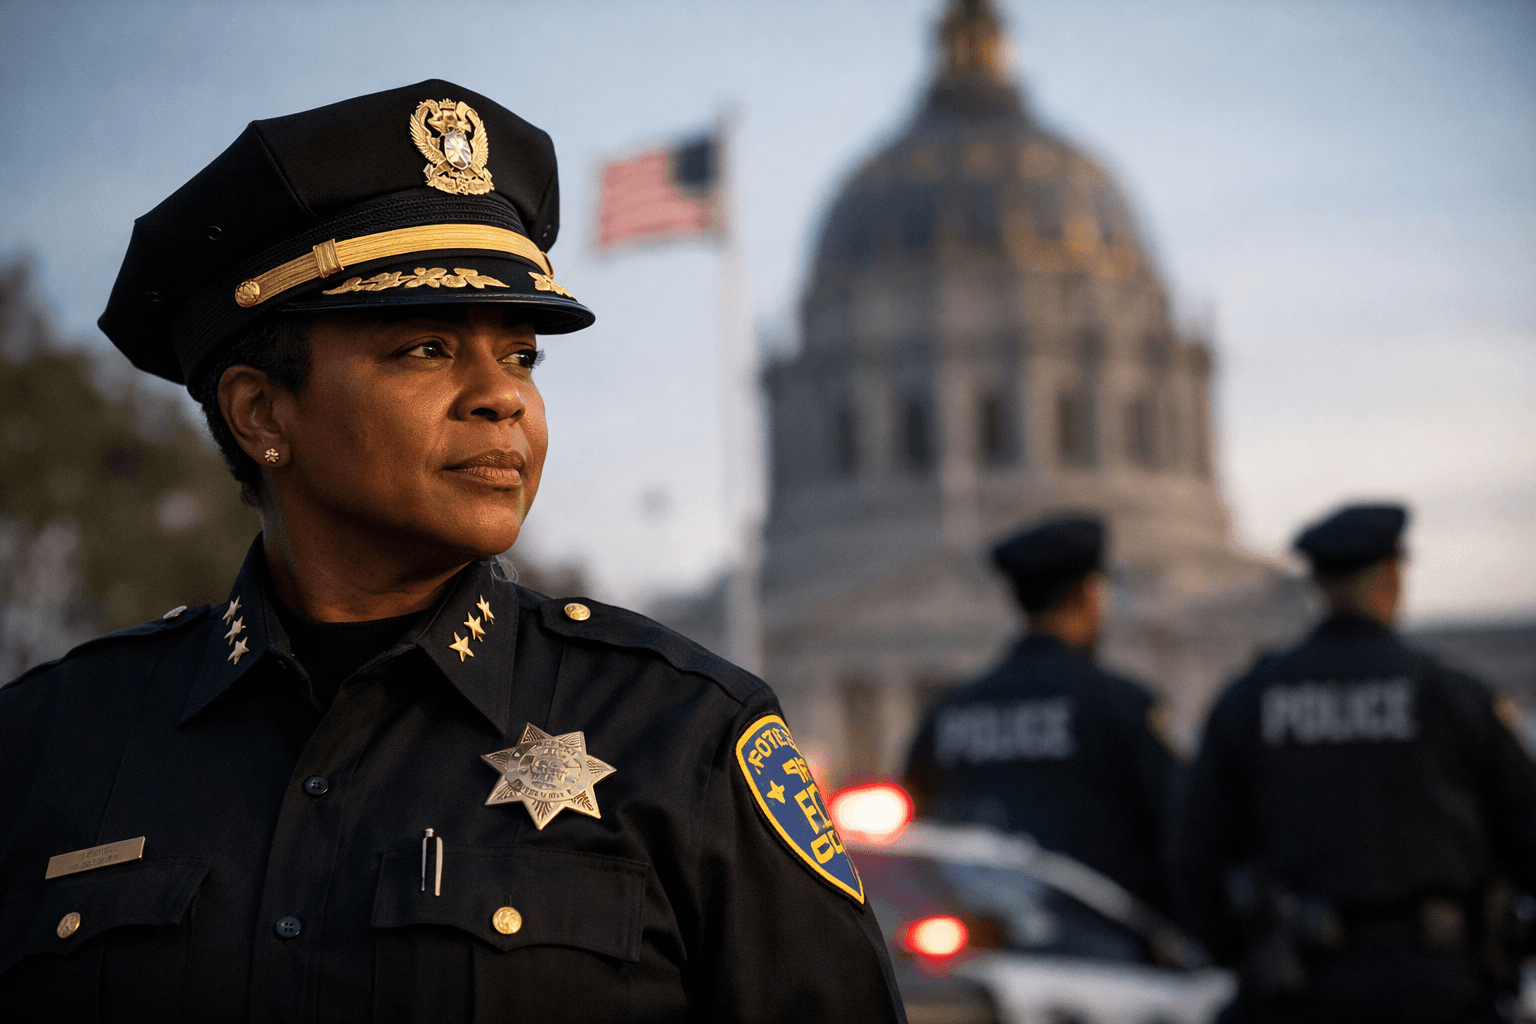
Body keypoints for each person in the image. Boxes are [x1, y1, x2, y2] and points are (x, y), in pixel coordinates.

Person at [0, 81, 905, 1023]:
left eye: (521, 356)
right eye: (427, 348)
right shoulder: (50, 747)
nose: (501, 397)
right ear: (262, 412)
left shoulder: (682, 738)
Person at [1168, 503, 1536, 1024]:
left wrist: (1243, 957)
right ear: (1390, 580)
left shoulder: (1249, 704)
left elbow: (1194, 857)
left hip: (1299, 990)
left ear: (1318, 588)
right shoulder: (1453, 698)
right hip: (1443, 989)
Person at [903, 515, 1176, 913]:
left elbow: (918, 838)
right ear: (1089, 596)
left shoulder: (950, 713)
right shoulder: (1119, 707)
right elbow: (1176, 832)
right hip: (1106, 951)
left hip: (989, 944)